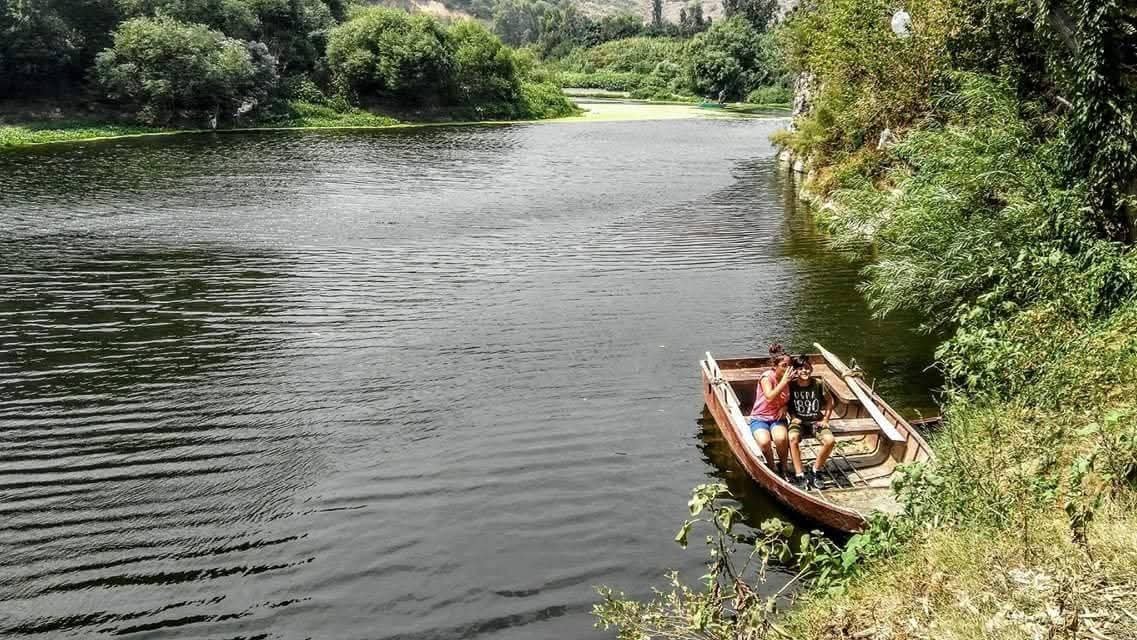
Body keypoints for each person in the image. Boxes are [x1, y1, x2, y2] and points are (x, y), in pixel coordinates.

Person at [785, 356, 835, 489]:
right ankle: (799, 473)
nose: (804, 371)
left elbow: (830, 401)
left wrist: (826, 419)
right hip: (799, 421)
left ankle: (816, 470)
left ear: (811, 369)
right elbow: (787, 403)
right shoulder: (791, 385)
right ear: (796, 371)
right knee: (792, 438)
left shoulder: (818, 384)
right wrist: (793, 416)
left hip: (816, 421)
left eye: (807, 368)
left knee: (830, 440)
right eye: (800, 369)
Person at [748, 345, 792, 475]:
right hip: (760, 417)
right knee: (764, 442)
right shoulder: (767, 377)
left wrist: (785, 406)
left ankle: (783, 466)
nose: (788, 369)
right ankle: (772, 466)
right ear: (775, 366)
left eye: (789, 365)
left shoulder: (789, 378)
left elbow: (793, 397)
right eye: (784, 365)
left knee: (781, 439)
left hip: (777, 418)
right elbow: (769, 397)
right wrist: (784, 382)